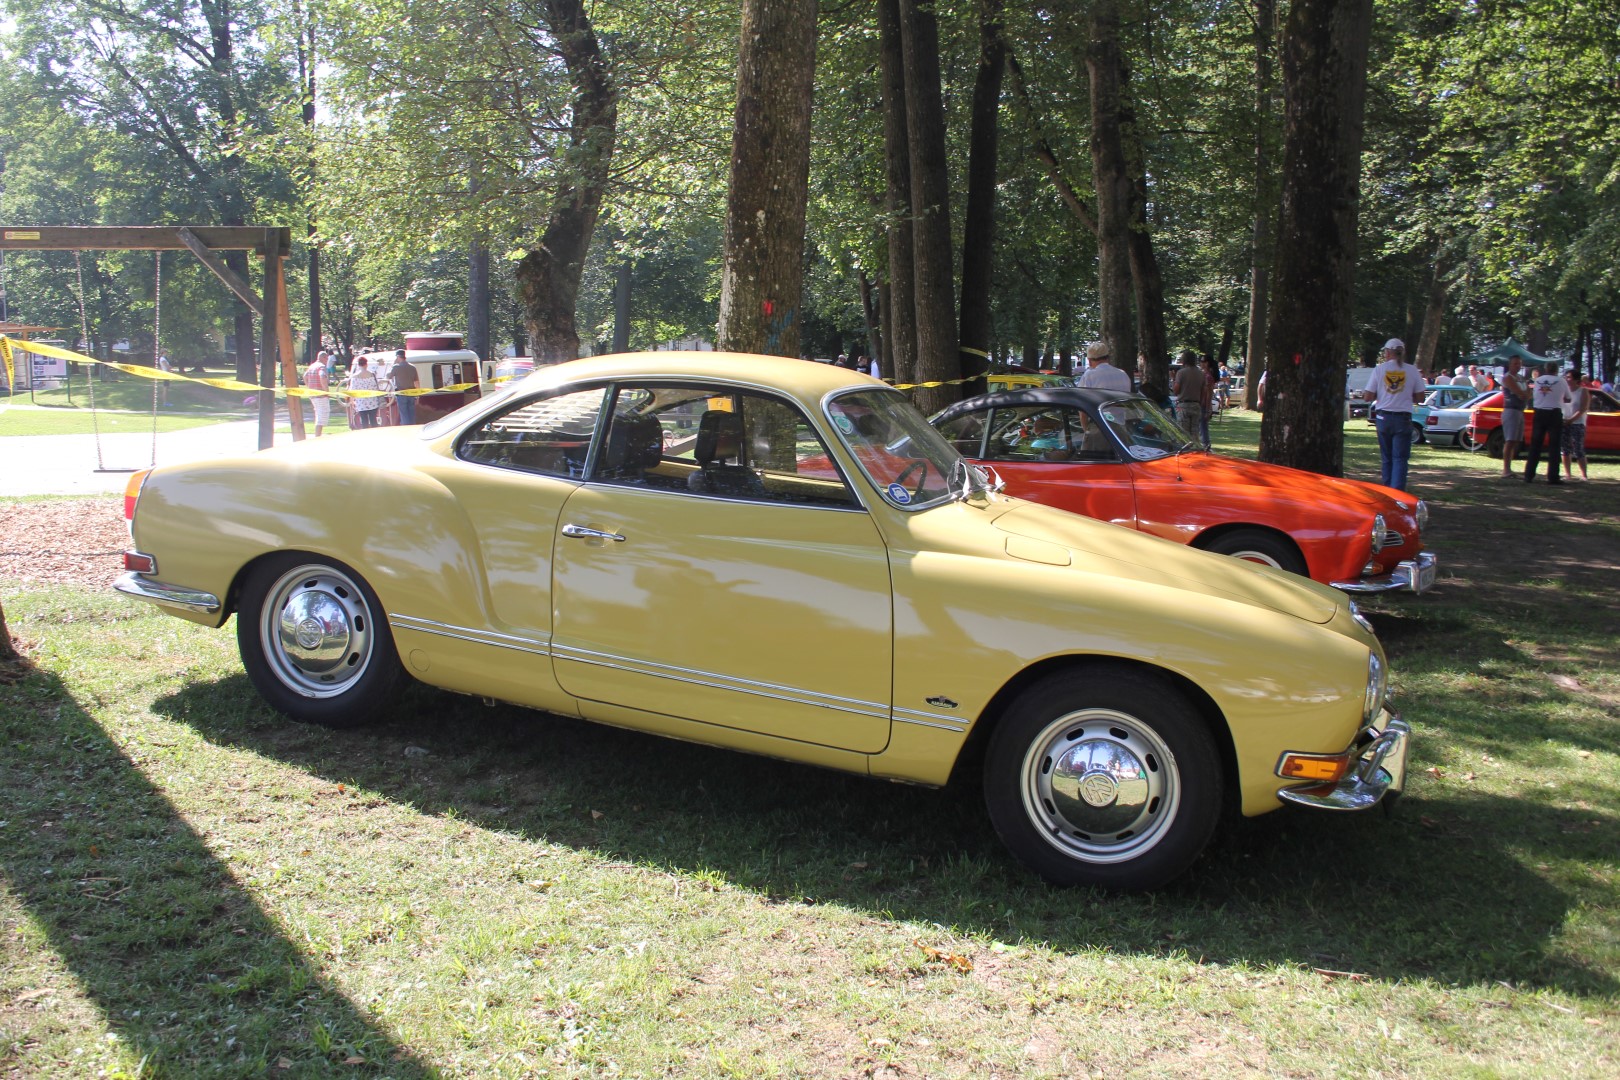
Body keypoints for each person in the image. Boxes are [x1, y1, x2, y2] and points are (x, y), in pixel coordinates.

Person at [1372, 338, 1425, 491]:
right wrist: (1407, 396)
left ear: (1387, 353)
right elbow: (1420, 397)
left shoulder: (1380, 369)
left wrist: (1382, 394)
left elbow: (1368, 396)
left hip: (1384, 417)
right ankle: (1397, 492)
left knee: (1387, 458)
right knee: (1400, 458)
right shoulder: (1412, 370)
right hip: (1403, 418)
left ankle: (1387, 490)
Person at [1523, 362, 1572, 484]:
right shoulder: (1561, 381)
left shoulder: (1538, 380)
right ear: (1557, 370)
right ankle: (1553, 476)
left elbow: (1535, 395)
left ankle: (1529, 475)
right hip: (1554, 413)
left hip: (1539, 412)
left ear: (1546, 369)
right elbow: (1568, 398)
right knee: (1554, 446)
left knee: (1535, 445)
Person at [1498, 356, 1530, 478]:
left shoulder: (1521, 378)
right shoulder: (1507, 378)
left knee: (1516, 441)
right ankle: (1506, 470)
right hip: (1511, 410)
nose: (1518, 366)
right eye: (1515, 364)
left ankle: (1509, 469)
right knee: (1510, 440)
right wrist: (1524, 395)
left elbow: (1528, 393)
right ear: (1510, 365)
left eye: (1519, 364)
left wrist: (1525, 395)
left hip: (1520, 411)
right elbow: (1520, 392)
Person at [1560, 369, 1590, 481]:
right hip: (1564, 422)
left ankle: (1584, 475)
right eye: (1566, 377)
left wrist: (1571, 420)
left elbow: (1583, 408)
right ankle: (1568, 474)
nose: (1567, 379)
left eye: (1569, 377)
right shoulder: (1563, 391)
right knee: (1565, 449)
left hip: (1578, 423)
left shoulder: (1583, 391)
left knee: (1578, 449)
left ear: (1576, 379)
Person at [1171, 350, 1205, 439]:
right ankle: (1195, 450)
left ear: (1184, 360)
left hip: (1184, 405)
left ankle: (1185, 451)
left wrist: (1173, 379)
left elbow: (1176, 391)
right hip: (1196, 404)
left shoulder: (1181, 373)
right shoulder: (1201, 373)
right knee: (1195, 433)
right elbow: (1203, 391)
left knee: (1183, 434)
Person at [348, 354, 382, 429]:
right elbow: (375, 388)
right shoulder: (372, 375)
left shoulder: (354, 377)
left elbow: (352, 390)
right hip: (372, 401)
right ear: (366, 364)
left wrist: (352, 401)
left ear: (358, 365)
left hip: (361, 402)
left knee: (364, 422)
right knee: (373, 421)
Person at [388, 349, 421, 424]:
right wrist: (418, 395)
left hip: (401, 394)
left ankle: (406, 428)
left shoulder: (396, 367)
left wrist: (393, 364)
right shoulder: (413, 367)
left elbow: (389, 377)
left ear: (398, 357)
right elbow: (416, 382)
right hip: (411, 393)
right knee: (412, 414)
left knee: (404, 415)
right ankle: (413, 427)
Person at [304, 350, 331, 436]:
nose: (327, 361)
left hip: (313, 394)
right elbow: (322, 377)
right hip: (321, 395)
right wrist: (326, 391)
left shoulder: (312, 366)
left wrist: (309, 386)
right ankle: (317, 436)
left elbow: (305, 376)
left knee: (318, 414)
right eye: (327, 358)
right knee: (321, 416)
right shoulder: (322, 367)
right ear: (323, 358)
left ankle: (318, 435)